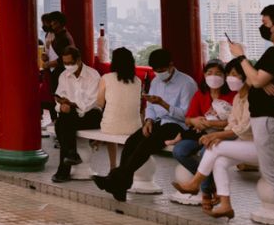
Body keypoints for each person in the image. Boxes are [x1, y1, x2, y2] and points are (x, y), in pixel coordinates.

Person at [92, 48, 197, 201]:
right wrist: (148, 120)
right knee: (131, 142)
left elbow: (188, 115)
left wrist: (164, 104)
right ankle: (120, 185)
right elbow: (151, 107)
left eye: (162, 70)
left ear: (171, 65)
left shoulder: (186, 83)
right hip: (158, 122)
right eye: (156, 70)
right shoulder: (155, 81)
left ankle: (114, 180)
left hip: (178, 125)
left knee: (146, 145)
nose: (160, 74)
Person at [172, 59, 255, 218]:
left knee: (210, 150)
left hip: (248, 141)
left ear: (246, 77)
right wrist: (198, 123)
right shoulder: (237, 97)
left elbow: (241, 127)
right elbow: (232, 124)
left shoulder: (245, 96)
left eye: (234, 75)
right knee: (207, 158)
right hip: (214, 135)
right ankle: (225, 205)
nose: (231, 79)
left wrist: (216, 132)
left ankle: (199, 187)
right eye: (209, 73)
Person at [228, 3, 274, 222]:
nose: (262, 27)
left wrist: (241, 56)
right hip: (269, 118)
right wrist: (260, 81)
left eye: (265, 23)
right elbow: (259, 80)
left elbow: (255, 79)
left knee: (272, 173)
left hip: (268, 119)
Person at [168, 59, 234, 202]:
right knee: (179, 151)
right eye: (209, 73)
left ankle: (205, 193)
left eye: (218, 73)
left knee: (206, 152)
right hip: (202, 133)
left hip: (224, 134)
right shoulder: (200, 94)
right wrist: (195, 121)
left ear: (224, 76)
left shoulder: (232, 95)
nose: (213, 76)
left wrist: (214, 123)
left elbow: (236, 123)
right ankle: (210, 185)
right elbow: (188, 119)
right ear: (204, 75)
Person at [51, 46, 102, 183]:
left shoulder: (93, 75)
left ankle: (65, 168)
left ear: (79, 60)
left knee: (61, 124)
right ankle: (71, 154)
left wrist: (72, 105)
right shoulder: (63, 76)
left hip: (92, 115)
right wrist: (62, 106)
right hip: (70, 116)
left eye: (70, 63)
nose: (68, 66)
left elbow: (93, 101)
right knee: (64, 120)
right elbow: (59, 97)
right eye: (65, 63)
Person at [96, 47, 142, 169]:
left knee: (110, 122)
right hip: (135, 128)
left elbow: (99, 103)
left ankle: (112, 166)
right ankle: (126, 165)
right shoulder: (138, 80)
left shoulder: (106, 77)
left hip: (110, 127)